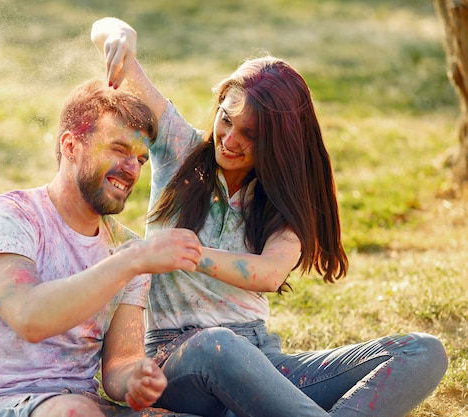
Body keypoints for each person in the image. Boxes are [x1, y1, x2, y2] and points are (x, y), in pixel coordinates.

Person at [91, 17, 448, 417]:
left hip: (263, 362)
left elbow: (269, 273)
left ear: (279, 142)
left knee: (423, 351)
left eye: (252, 135)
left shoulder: (281, 202)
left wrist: (185, 254)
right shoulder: (180, 148)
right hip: (180, 359)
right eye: (226, 119)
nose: (230, 140)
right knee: (217, 344)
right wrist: (118, 34)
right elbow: (109, 37)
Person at [0, 79, 204, 417]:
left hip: (86, 405)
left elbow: (120, 363)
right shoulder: (7, 217)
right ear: (71, 146)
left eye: (141, 160)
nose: (131, 170)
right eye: (119, 149)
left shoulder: (126, 249)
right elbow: (29, 317)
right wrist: (132, 261)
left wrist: (135, 378)